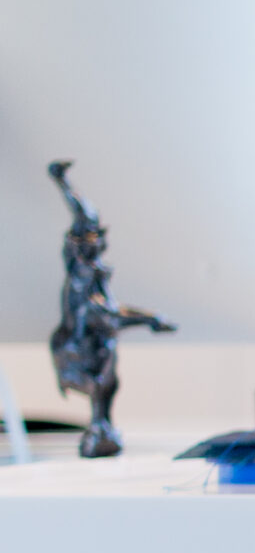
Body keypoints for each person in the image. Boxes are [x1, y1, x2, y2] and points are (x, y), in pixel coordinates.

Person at [45, 160, 172, 458]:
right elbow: (107, 316)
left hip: (95, 351)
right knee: (103, 377)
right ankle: (99, 425)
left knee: (108, 375)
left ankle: (101, 425)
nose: (98, 243)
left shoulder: (91, 272)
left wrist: (63, 182)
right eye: (90, 239)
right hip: (79, 354)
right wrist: (151, 319)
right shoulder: (80, 281)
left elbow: (86, 215)